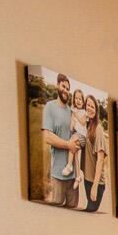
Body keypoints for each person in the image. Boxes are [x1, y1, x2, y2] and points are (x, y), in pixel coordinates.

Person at [37, 73, 82, 207]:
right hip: (58, 174)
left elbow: (79, 135)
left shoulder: (72, 112)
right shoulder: (50, 107)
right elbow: (48, 137)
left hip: (73, 177)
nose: (65, 91)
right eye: (63, 87)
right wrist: (69, 145)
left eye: (68, 89)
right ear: (58, 85)